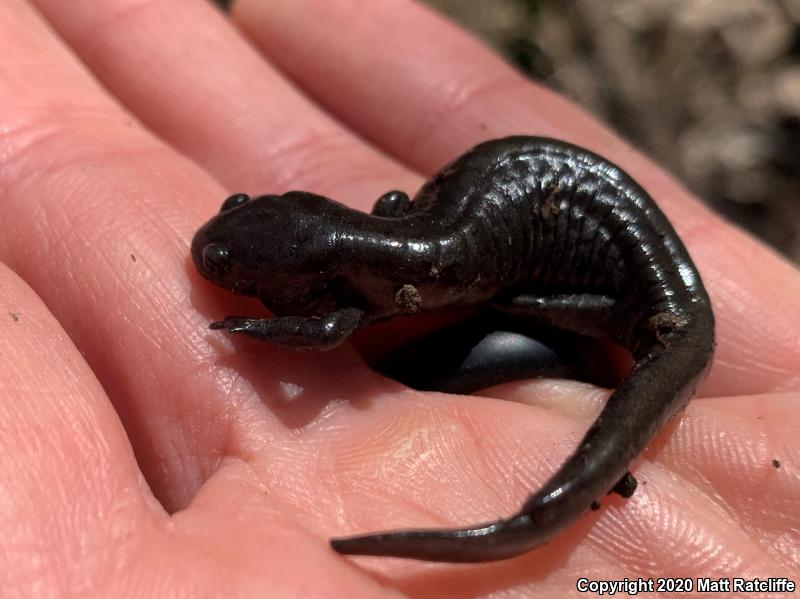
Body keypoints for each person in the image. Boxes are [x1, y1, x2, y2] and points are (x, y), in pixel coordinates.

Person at [1, 1, 797, 596]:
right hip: (567, 228)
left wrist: (266, 326)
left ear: (306, 272)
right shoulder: (367, 267)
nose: (218, 265)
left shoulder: (356, 291)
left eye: (240, 267)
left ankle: (556, 467)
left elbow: (329, 328)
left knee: (529, 306)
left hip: (639, 295)